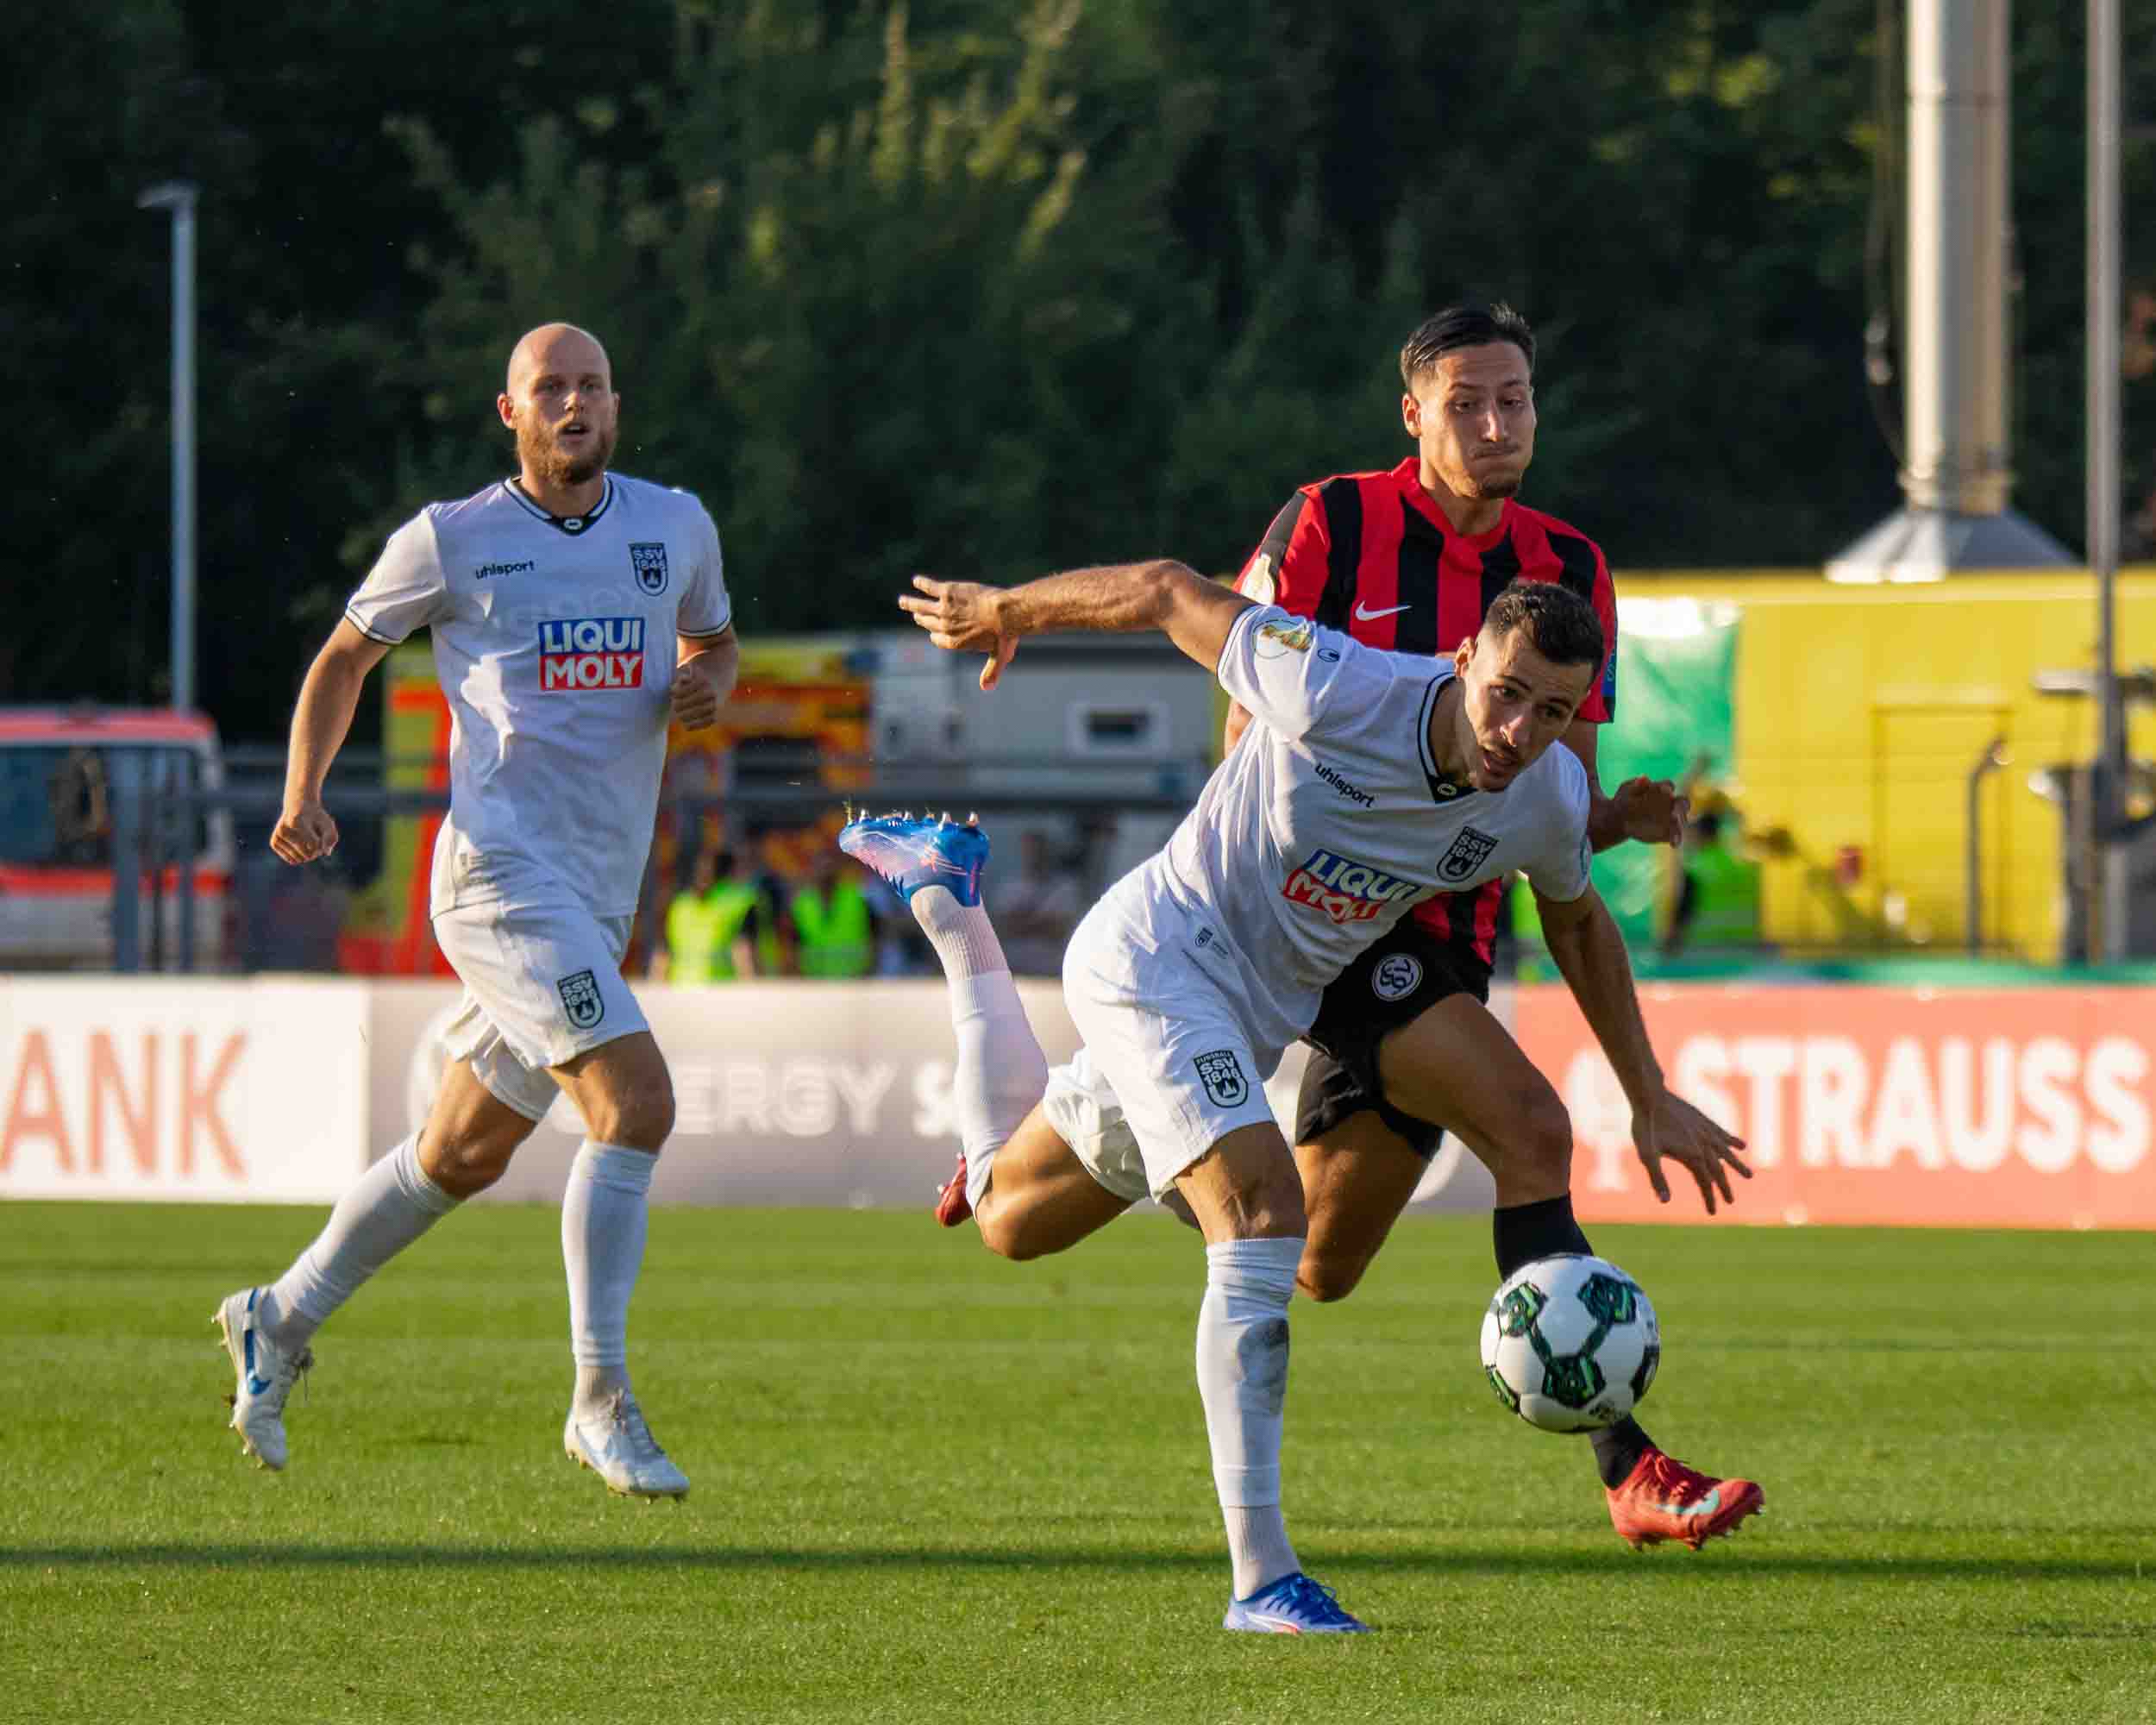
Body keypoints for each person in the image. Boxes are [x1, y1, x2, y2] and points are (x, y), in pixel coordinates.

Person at [843, 565, 1748, 1633]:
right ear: (1463, 659)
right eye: (1505, 692)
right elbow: (1167, 591)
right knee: (1266, 1216)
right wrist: (1007, 612)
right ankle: (1261, 1578)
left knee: (1009, 1214)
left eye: (1552, 711)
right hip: (1156, 956)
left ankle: (952, 907)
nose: (1518, 728)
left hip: (1254, 1015)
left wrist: (1646, 1090)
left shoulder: (1542, 793)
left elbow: (1579, 915)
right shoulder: (1337, 686)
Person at [1220, 303, 1758, 1550]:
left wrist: (1616, 819)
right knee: (1532, 1130)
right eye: (1466, 403)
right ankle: (1630, 1469)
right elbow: (1246, 709)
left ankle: (1110, 1133)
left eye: (1514, 399)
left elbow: (1553, 806)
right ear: (1412, 414)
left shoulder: (1570, 565)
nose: (1496, 423)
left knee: (1318, 1261)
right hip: (1314, 902)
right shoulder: (1332, 522)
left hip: (1448, 932)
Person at [215, 323, 737, 1498]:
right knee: (635, 1102)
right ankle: (601, 1398)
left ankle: (276, 1317)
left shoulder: (675, 526)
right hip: (498, 881)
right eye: (550, 388)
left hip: (594, 899)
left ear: (616, 405)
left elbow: (715, 642)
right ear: (511, 412)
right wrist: (302, 791)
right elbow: (343, 657)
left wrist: (710, 681)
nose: (574, 404)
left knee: (461, 1151)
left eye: (592, 386)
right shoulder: (452, 538)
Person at [653, 841, 779, 982]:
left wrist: (656, 988)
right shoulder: (742, 901)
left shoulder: (680, 904)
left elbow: (662, 954)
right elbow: (744, 951)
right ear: (732, 871)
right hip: (724, 987)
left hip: (681, 986)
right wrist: (752, 988)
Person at [991, 828, 1086, 976]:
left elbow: (1059, 931)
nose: (1034, 856)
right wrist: (1041, 922)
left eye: (1039, 850)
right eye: (1029, 851)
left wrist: (1021, 921)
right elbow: (1002, 929)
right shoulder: (1008, 888)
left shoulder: (1065, 889)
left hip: (1050, 971)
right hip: (1013, 969)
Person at [788, 843, 881, 978]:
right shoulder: (802, 904)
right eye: (821, 867)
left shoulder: (857, 897)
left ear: (837, 869)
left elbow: (876, 936)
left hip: (854, 978)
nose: (825, 872)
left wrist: (870, 970)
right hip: (814, 979)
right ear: (812, 870)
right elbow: (792, 943)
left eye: (829, 866)